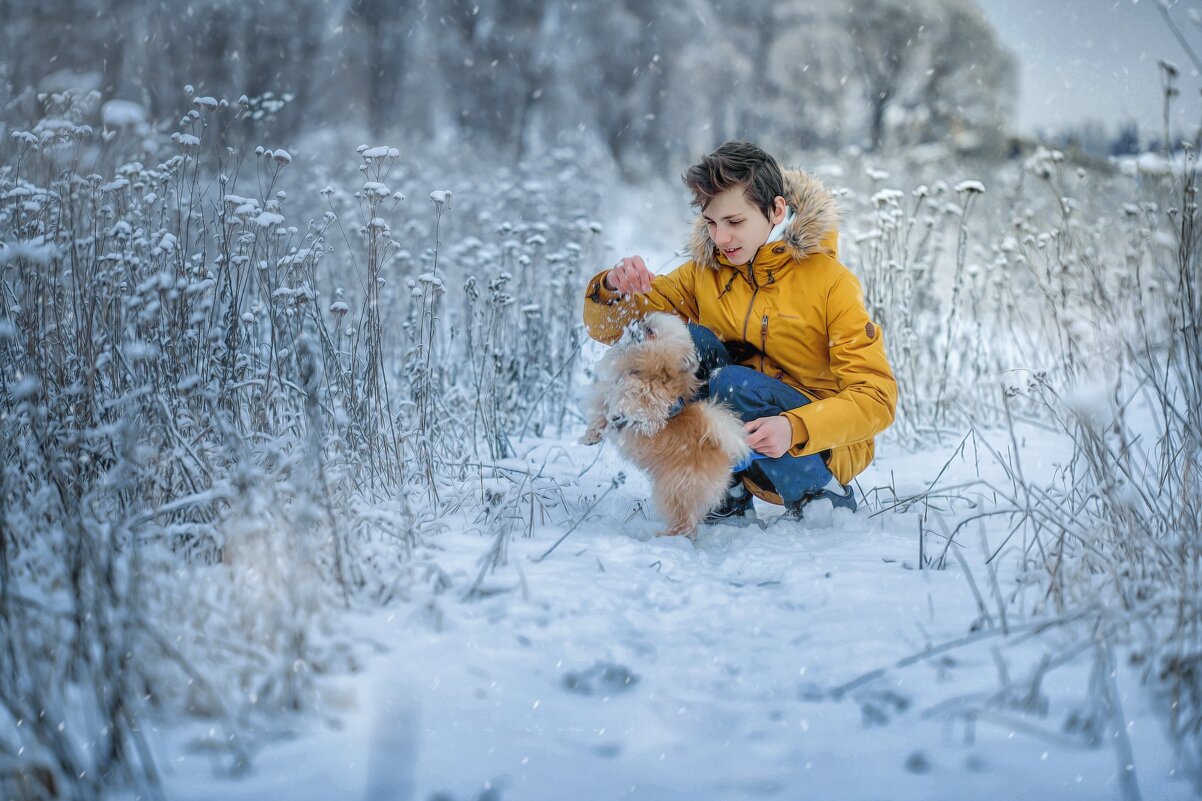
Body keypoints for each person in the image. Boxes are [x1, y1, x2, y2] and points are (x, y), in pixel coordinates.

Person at [582, 141, 897, 522]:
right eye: (711, 223)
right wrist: (614, 288)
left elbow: (877, 398)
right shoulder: (705, 274)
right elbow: (617, 327)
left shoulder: (831, 282)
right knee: (674, 342)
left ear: (776, 211)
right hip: (739, 435)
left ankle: (819, 495)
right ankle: (723, 488)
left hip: (813, 442)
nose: (721, 238)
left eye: (734, 223)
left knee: (733, 382)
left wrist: (795, 426)